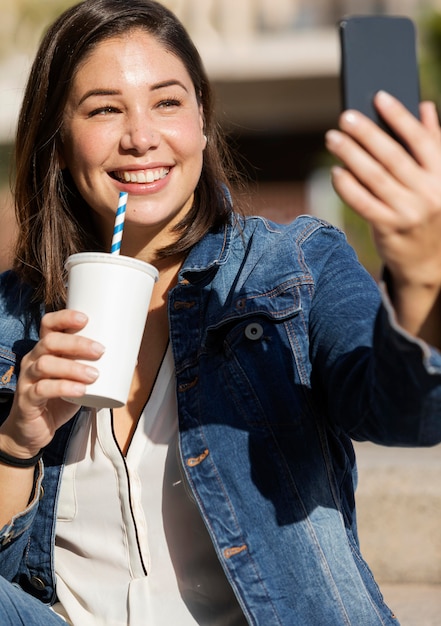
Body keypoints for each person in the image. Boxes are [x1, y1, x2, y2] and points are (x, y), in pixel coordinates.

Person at [0, 0, 440, 624]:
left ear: (202, 121)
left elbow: (410, 413)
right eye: (103, 109)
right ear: (60, 141)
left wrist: (423, 273)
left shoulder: (294, 266)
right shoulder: (11, 319)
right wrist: (18, 440)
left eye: (167, 102)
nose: (140, 135)